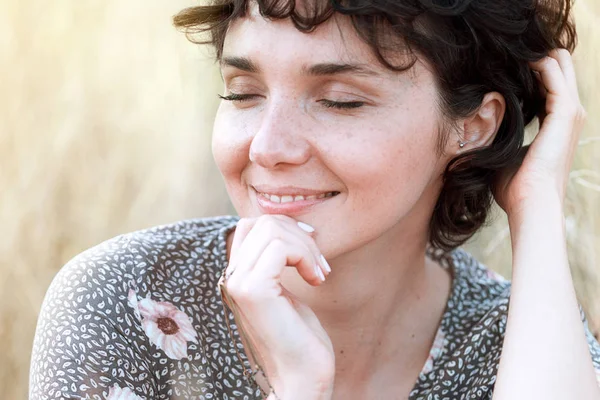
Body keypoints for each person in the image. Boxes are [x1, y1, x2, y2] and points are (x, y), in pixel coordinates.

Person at [29, 0, 600, 398]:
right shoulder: (121, 305)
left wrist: (537, 206)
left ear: (472, 126)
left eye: (341, 101)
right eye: (243, 93)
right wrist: (299, 390)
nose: (269, 146)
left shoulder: (527, 340)